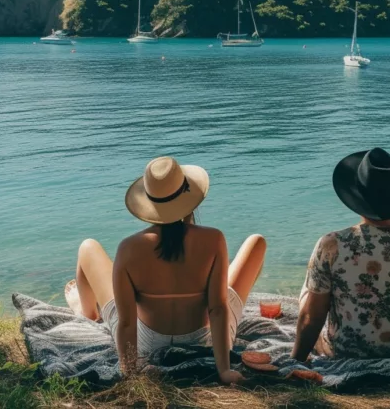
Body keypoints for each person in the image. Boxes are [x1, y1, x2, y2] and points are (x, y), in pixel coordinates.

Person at [67, 156, 266, 384]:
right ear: (190, 198)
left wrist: (129, 371)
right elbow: (218, 309)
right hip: (205, 342)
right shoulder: (213, 239)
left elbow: (126, 322)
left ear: (149, 203)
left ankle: (88, 314)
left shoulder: (129, 248)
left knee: (87, 247)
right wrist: (224, 370)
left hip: (148, 343)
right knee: (256, 242)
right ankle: (87, 313)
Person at [291, 147, 390, 362]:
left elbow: (312, 317)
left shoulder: (332, 244)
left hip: (346, 355)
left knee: (309, 292)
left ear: (356, 194)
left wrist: (295, 361)